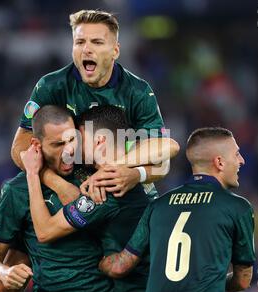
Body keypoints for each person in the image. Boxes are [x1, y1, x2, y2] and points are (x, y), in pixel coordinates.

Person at [11, 9, 179, 205]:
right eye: (80, 42)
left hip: (121, 191)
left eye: (97, 42)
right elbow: (20, 146)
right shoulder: (51, 86)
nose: (86, 49)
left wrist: (132, 174)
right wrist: (57, 183)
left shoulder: (137, 91)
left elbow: (162, 155)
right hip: (71, 189)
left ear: (115, 50)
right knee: (13, 190)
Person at [20, 105, 179, 292]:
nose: (73, 148)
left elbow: (45, 232)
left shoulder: (105, 187)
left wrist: (32, 173)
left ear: (100, 141)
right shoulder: (129, 169)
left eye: (80, 139)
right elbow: (168, 145)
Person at [99, 127, 256, 292]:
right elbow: (242, 280)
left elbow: (120, 266)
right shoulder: (238, 207)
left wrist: (97, 261)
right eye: (236, 154)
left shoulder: (157, 206)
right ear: (219, 162)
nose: (241, 160)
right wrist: (207, 282)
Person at [0, 105, 115, 292]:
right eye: (58, 144)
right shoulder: (16, 190)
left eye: (72, 140)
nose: (69, 150)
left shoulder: (93, 174)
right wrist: (3, 272)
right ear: (36, 145)